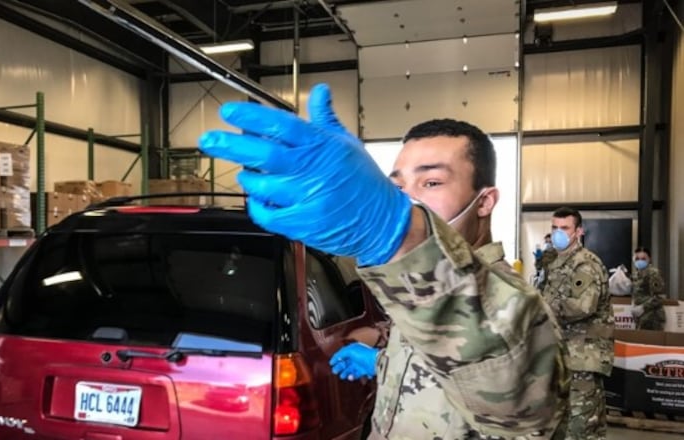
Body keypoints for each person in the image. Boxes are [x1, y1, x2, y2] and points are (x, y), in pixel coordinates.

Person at [198, 84, 569, 439]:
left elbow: (508, 396)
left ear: (485, 201)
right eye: (397, 186)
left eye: (432, 183)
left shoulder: (516, 308)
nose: (409, 198)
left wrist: (397, 233)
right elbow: (438, 357)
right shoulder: (415, 298)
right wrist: (381, 352)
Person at [541, 207, 613, 440]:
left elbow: (584, 306)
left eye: (564, 228)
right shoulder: (555, 263)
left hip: (582, 358)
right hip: (562, 357)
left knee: (580, 429)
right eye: (554, 227)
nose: (557, 233)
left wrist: (542, 308)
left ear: (578, 232)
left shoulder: (585, 264)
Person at [630, 246, 666, 331]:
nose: (640, 261)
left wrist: (643, 307)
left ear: (649, 259)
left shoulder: (653, 273)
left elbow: (659, 297)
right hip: (640, 317)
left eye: (643, 258)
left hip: (652, 317)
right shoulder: (636, 274)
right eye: (637, 258)